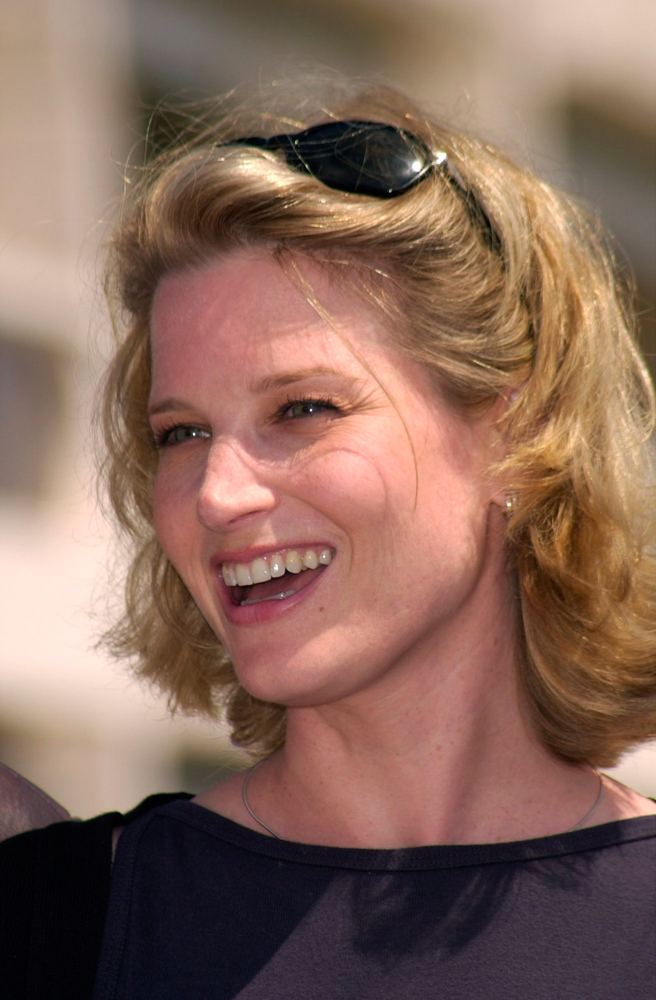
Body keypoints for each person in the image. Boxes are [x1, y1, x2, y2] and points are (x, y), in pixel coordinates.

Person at [1, 78, 655, 998]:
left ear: (515, 432)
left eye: (303, 409)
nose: (218, 493)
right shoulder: (52, 921)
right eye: (182, 433)